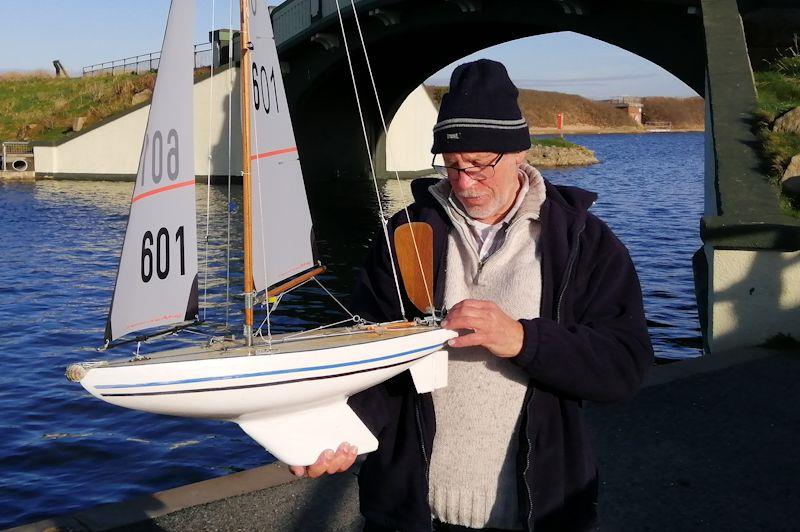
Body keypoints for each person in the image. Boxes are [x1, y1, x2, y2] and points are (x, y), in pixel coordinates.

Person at [289, 59, 654, 532]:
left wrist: (523, 341)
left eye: (480, 164)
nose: (464, 182)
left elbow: (623, 367)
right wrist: (336, 434)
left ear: (520, 152)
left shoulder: (584, 241)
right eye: (453, 165)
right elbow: (371, 362)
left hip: (540, 509)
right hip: (411, 509)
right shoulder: (406, 235)